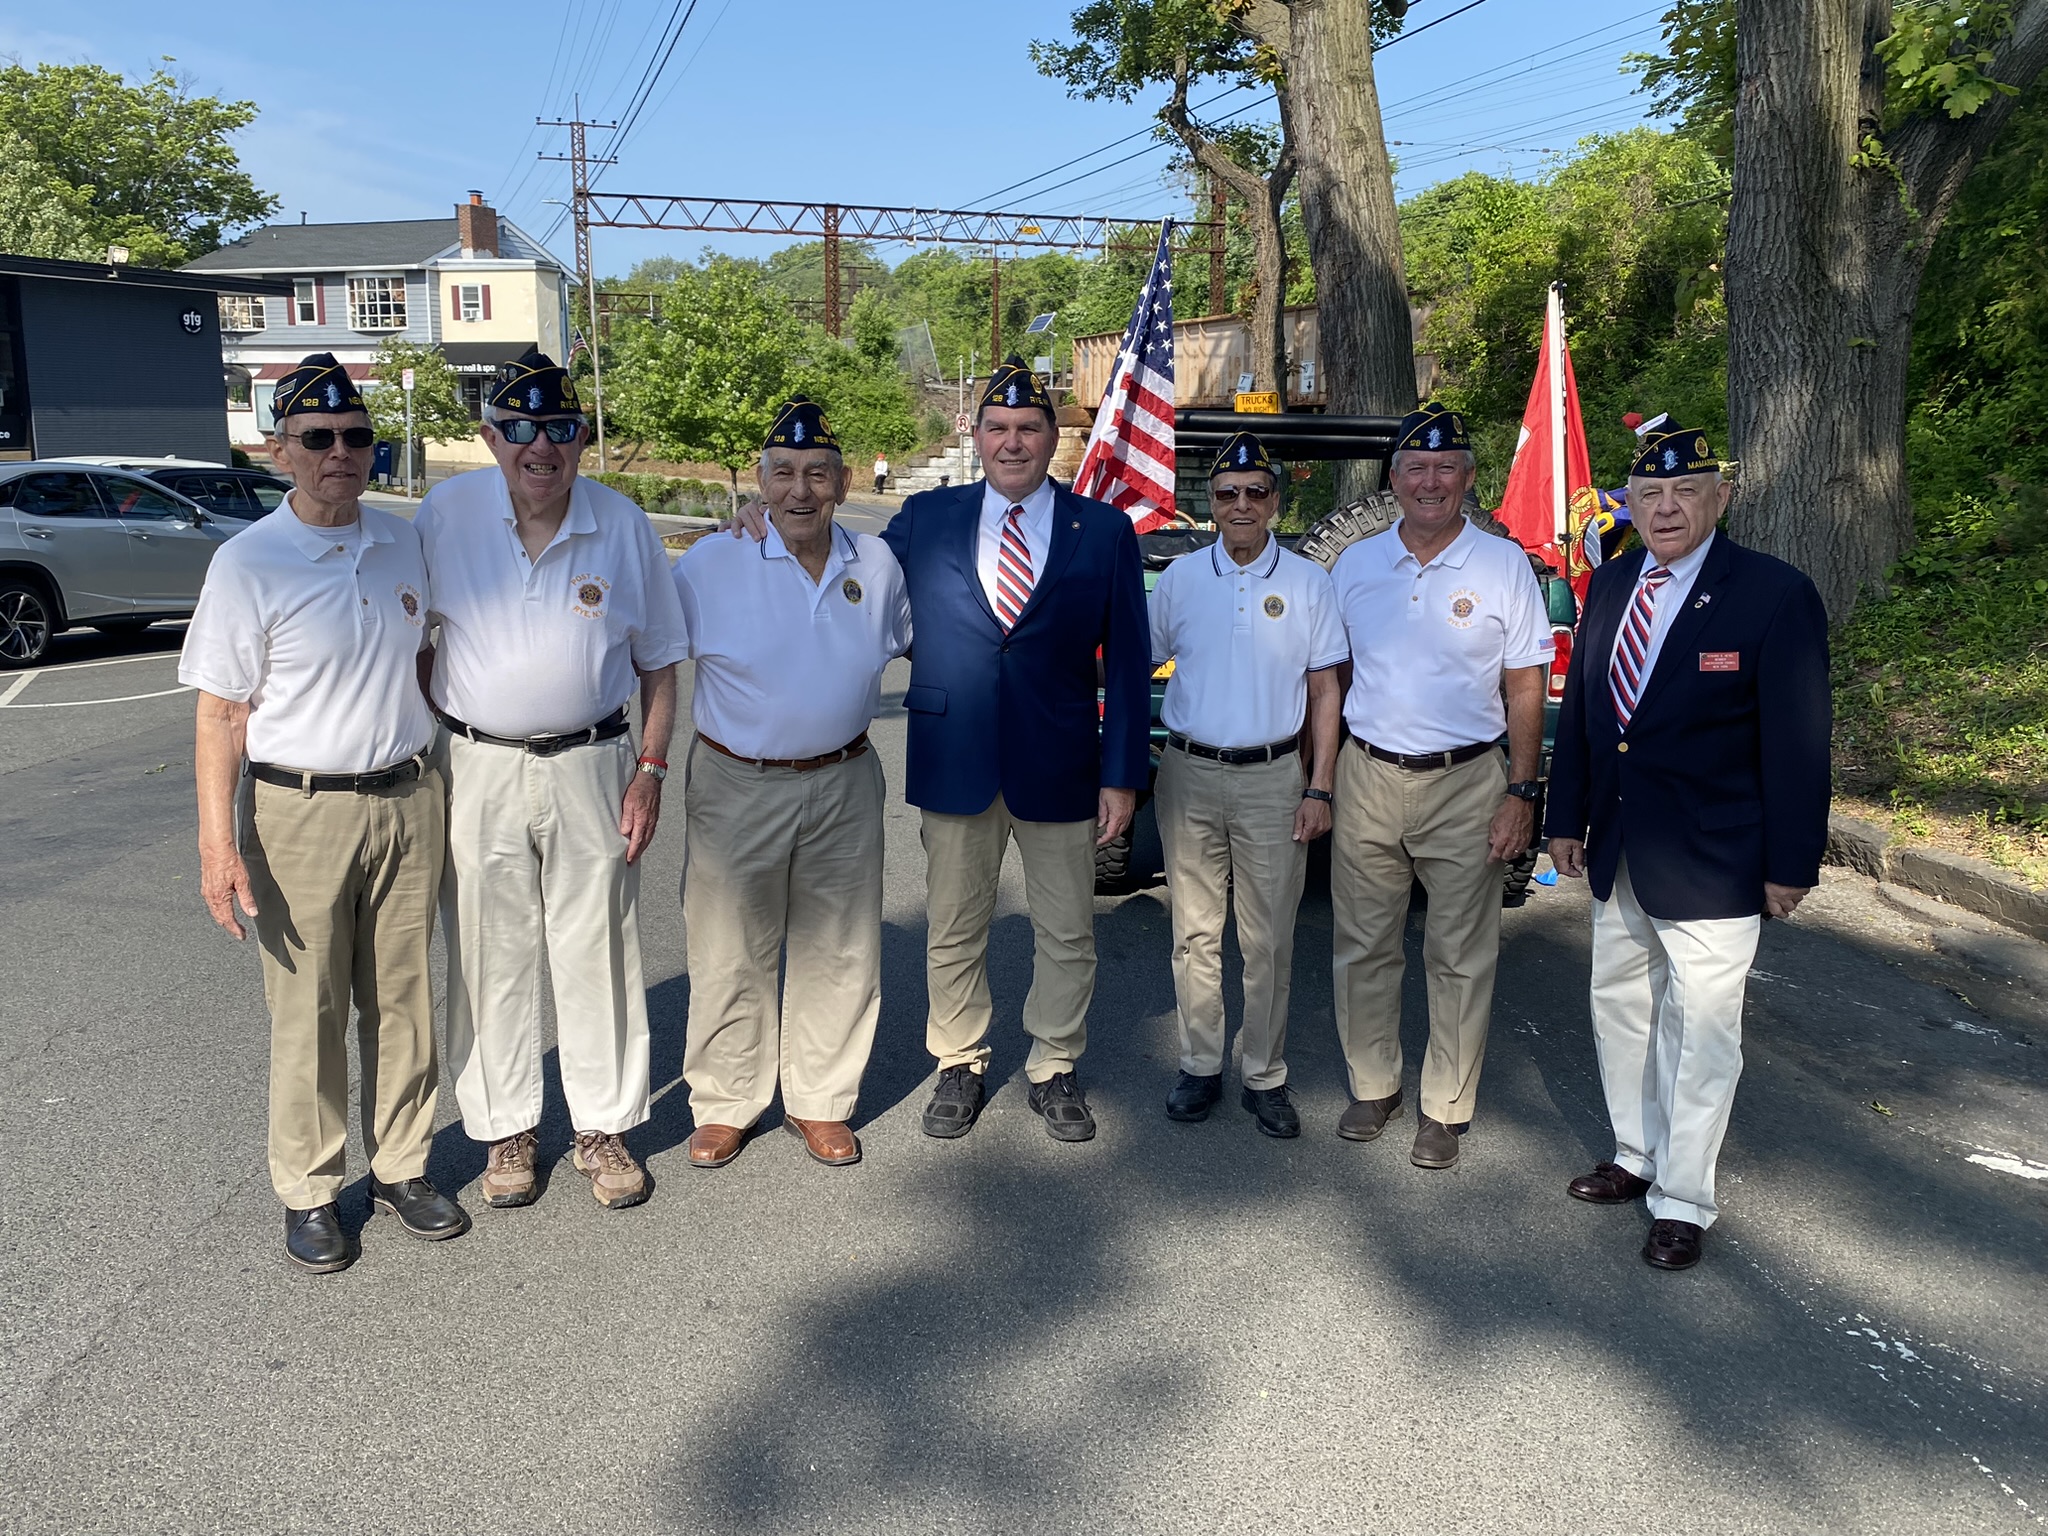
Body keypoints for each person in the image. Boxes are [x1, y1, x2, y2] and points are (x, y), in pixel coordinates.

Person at [737, 357, 1151, 1140]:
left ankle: (1054, 1064)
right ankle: (959, 1059)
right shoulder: (927, 519)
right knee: (955, 924)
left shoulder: (1101, 531)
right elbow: (836, 557)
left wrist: (1123, 775)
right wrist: (763, 519)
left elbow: (1128, 663)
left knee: (1068, 929)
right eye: (998, 427)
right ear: (977, 435)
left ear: (1052, 437)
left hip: (1063, 762)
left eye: (1029, 428)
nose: (1013, 441)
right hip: (955, 757)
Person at [180, 353, 468, 1274]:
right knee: (307, 1009)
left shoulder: (404, 542)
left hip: (408, 795)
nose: (340, 452)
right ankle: (311, 1189)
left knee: (404, 1001)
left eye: (355, 437)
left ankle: (403, 1166)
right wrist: (217, 843)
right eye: (318, 439)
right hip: (298, 810)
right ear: (281, 451)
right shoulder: (247, 563)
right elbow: (222, 714)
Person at [1546, 420, 1830, 1271]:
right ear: (1629, 504)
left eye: (1685, 492)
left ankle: (1684, 1196)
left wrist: (1791, 864)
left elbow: (1797, 740)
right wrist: (1565, 819)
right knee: (1621, 1008)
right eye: (1650, 494)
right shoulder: (1612, 583)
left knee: (1703, 1030)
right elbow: (1592, 719)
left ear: (1720, 497)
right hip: (1621, 845)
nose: (1666, 508)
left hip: (1717, 855)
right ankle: (1637, 1157)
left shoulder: (1773, 594)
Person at [414, 350, 689, 1212]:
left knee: (597, 948)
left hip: (594, 764)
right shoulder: (443, 515)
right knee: (488, 951)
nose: (543, 448)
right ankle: (506, 1131)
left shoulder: (622, 522)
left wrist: (649, 771)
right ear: (492, 438)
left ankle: (602, 1129)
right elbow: (413, 642)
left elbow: (660, 664)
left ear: (580, 438)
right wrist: (445, 741)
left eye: (561, 430)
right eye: (522, 430)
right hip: (480, 763)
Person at [672, 398, 910, 1170]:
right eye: (782, 474)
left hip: (844, 781)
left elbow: (905, 643)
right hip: (737, 782)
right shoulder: (712, 561)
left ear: (842, 482)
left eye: (816, 474)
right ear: (761, 483)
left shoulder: (874, 565)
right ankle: (726, 1101)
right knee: (729, 946)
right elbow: (654, 660)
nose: (799, 491)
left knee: (840, 948)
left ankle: (821, 1100)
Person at [1328, 403, 1553, 1169]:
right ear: (1393, 480)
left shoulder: (1502, 565)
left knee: (1461, 950)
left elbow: (1527, 684)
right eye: (1416, 468)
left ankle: (1445, 1106)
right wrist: (1322, 781)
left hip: (1467, 780)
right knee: (1363, 943)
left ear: (1468, 478)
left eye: (1446, 468)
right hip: (1368, 774)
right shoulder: (1355, 566)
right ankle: (1374, 1084)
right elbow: (1335, 679)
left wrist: (1522, 793)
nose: (1431, 481)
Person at [1149, 432, 1347, 1136]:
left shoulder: (1307, 582)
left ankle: (1264, 1074)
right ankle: (1200, 1065)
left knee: (1268, 940)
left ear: (1274, 501)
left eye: (1255, 492)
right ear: (1209, 504)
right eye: (1227, 493)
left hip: (1273, 778)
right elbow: (1138, 660)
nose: (1240, 504)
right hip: (1190, 772)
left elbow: (1327, 693)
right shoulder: (1178, 579)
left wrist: (1319, 786)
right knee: (1194, 934)